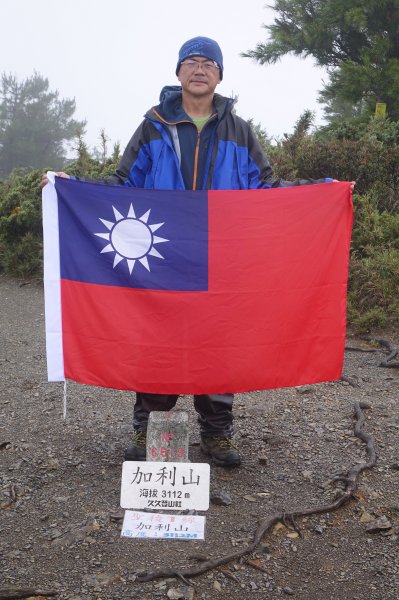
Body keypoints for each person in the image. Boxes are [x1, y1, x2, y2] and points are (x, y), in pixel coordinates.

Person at [43, 36, 343, 468]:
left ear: (220, 75)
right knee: (157, 341)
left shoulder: (239, 129)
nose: (199, 69)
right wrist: (69, 187)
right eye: (191, 62)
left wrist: (319, 193)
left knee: (219, 342)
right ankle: (149, 429)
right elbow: (124, 183)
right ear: (178, 72)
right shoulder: (152, 125)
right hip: (162, 255)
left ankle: (217, 434)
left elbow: (265, 189)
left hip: (223, 255)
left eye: (208, 63)